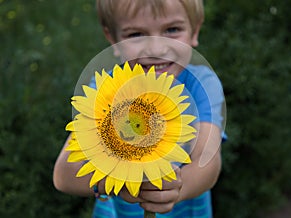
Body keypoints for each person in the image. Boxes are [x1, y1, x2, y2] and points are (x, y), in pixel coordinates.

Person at [53, 0, 226, 217]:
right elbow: (65, 174)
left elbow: (207, 161)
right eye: (136, 35)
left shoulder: (201, 85)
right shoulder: (107, 90)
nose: (156, 48)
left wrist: (176, 191)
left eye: (172, 30)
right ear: (112, 40)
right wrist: (116, 182)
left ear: (195, 30)